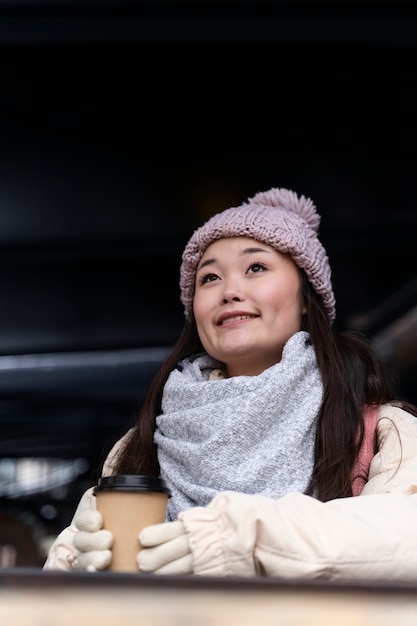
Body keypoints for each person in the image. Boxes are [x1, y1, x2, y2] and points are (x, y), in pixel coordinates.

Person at [43, 186, 417, 580]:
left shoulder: (381, 431)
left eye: (256, 268)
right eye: (209, 278)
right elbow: (54, 594)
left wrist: (239, 540)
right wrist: (79, 565)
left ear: (307, 297)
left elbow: (404, 537)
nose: (230, 292)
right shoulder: (142, 445)